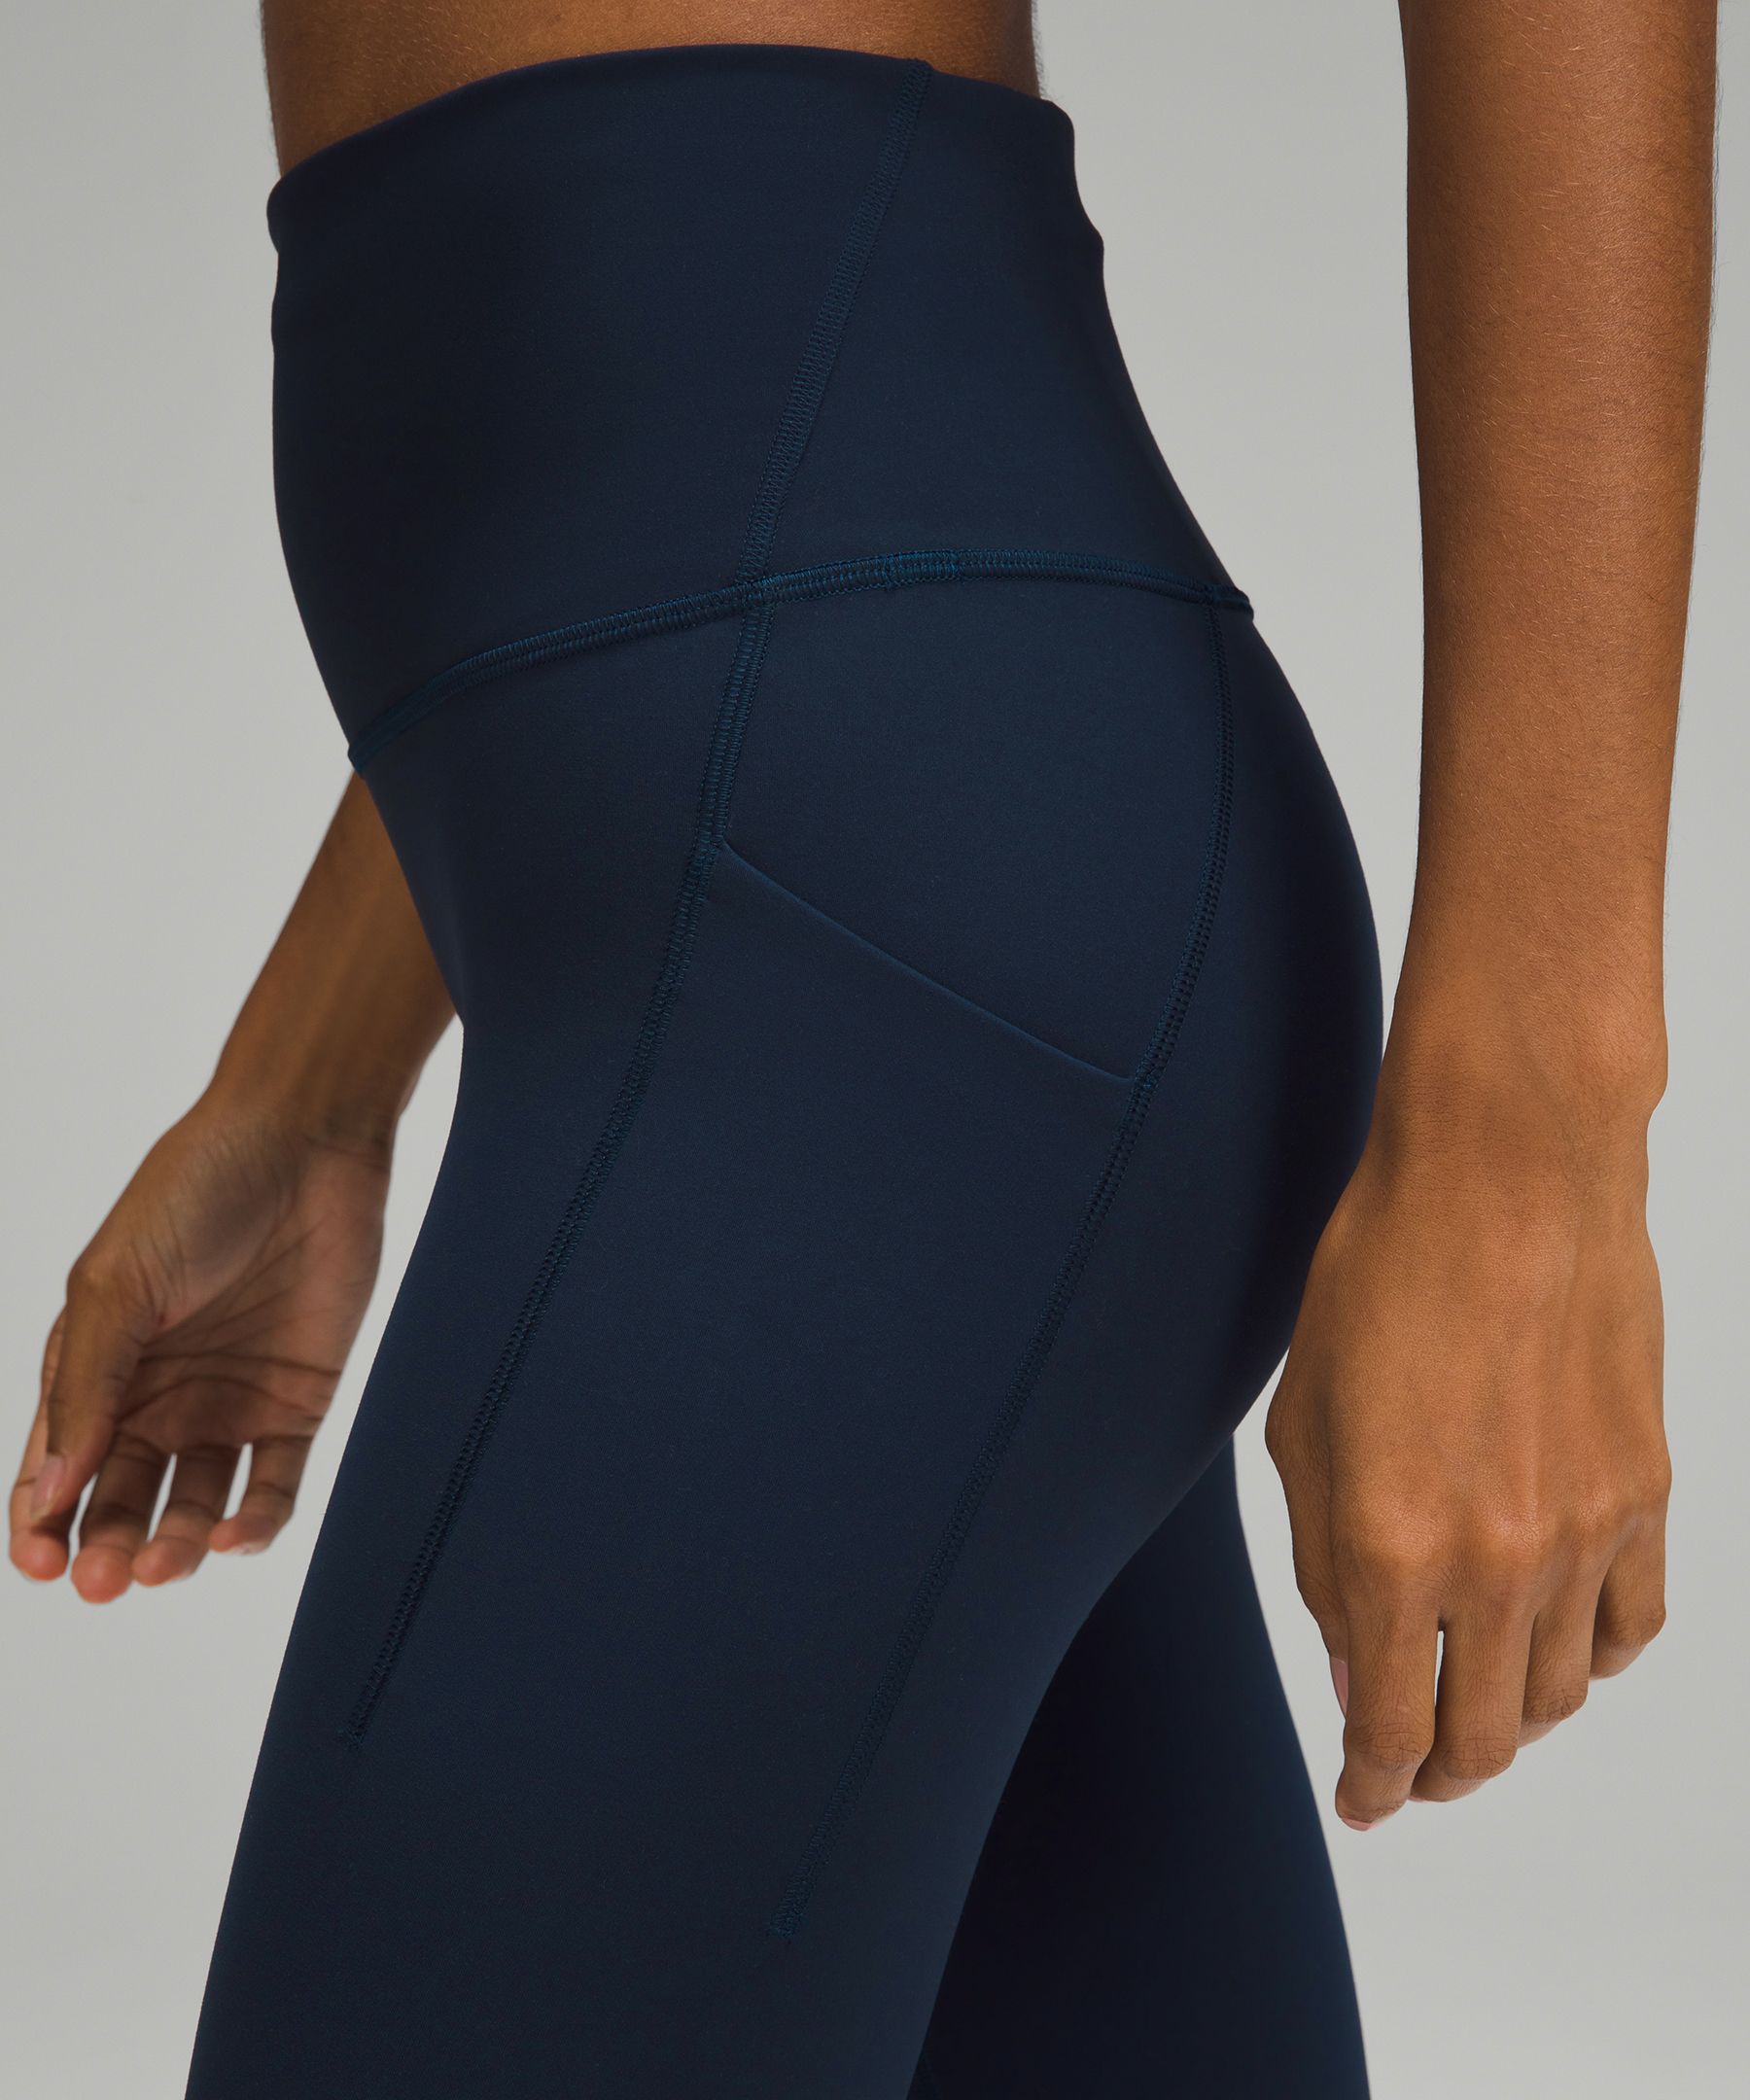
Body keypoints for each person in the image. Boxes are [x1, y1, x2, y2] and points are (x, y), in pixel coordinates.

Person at [9, 4, 1713, 2094]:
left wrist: (1542, 1135)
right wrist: (313, 1077)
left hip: (872, 970)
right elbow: (657, 509)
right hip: (880, 923)